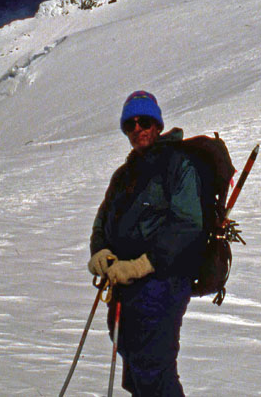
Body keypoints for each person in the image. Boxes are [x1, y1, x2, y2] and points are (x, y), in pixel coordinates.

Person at [88, 91, 205, 396]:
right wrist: (100, 251)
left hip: (162, 284)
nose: (138, 129)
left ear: (157, 124)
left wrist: (141, 265)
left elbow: (188, 223)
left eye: (145, 121)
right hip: (124, 288)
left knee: (154, 369)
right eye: (130, 124)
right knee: (133, 364)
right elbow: (103, 219)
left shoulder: (178, 165)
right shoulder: (123, 175)